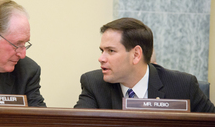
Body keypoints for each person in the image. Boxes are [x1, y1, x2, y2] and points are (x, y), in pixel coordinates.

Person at [74, 17, 214, 113]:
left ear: (136, 55)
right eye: (102, 51)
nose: (101, 58)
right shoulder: (93, 84)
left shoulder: (183, 86)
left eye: (111, 51)